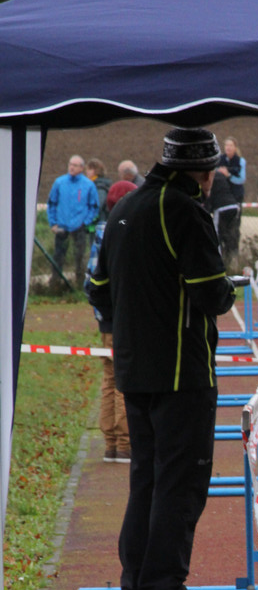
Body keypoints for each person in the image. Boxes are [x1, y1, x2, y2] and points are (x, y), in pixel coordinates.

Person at [88, 127, 236, 590]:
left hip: (134, 369)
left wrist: (127, 326)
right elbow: (211, 292)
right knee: (180, 483)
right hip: (181, 372)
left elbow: (97, 287)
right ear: (204, 172)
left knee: (146, 480)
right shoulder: (184, 209)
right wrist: (227, 288)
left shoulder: (124, 208)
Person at [85, 179, 136, 463]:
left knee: (109, 379)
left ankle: (111, 444)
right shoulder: (128, 231)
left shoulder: (100, 234)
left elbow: (89, 281)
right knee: (124, 380)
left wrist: (102, 311)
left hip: (105, 320)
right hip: (124, 320)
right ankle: (125, 442)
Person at [46, 155, 99, 290]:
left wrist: (85, 222)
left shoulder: (88, 185)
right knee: (58, 256)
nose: (72, 167)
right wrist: (53, 223)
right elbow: (52, 203)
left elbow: (94, 207)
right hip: (62, 226)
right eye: (70, 164)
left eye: (75, 165)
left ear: (81, 168)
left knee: (79, 256)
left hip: (79, 227)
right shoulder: (59, 182)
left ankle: (80, 285)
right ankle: (55, 284)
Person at [206, 167, 241, 270]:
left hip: (221, 208)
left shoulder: (209, 178)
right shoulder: (221, 176)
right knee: (230, 234)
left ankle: (218, 260)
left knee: (216, 233)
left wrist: (207, 209)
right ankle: (233, 256)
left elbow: (209, 195)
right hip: (234, 206)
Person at [219, 136, 246, 205]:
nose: (228, 147)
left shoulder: (240, 161)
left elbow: (241, 179)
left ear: (235, 148)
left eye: (231, 145)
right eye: (226, 145)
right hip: (222, 194)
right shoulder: (219, 160)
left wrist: (228, 175)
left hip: (236, 194)